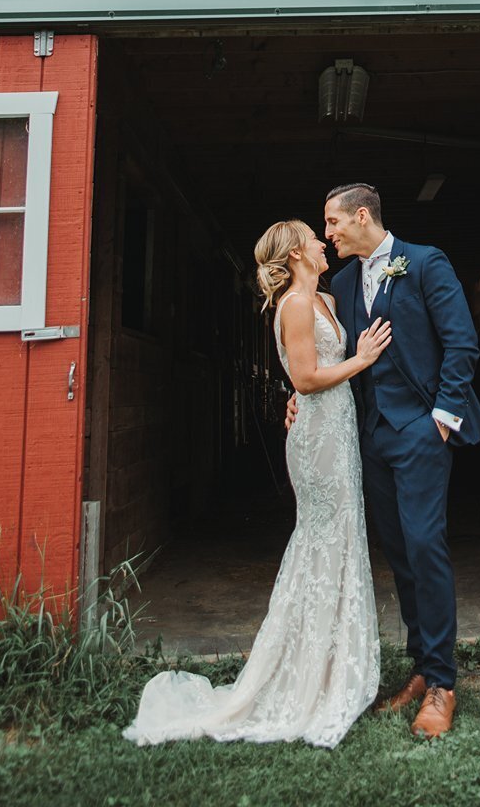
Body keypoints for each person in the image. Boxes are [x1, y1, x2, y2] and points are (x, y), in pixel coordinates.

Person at [123, 219, 392, 751]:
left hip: (338, 431)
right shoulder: (294, 305)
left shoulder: (327, 301)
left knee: (342, 540)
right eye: (313, 237)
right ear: (295, 254)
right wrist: (361, 361)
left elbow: (314, 372)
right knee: (320, 541)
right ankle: (304, 675)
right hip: (316, 440)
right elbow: (305, 379)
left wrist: (341, 368)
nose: (322, 242)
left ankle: (331, 666)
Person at [314, 182, 480, 739]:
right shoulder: (344, 282)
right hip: (373, 437)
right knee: (399, 552)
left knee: (424, 544)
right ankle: (421, 668)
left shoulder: (425, 262)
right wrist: (300, 396)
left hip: (420, 430)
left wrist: (442, 418)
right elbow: (327, 352)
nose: (328, 233)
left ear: (362, 216)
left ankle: (442, 684)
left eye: (333, 222)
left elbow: (462, 343)